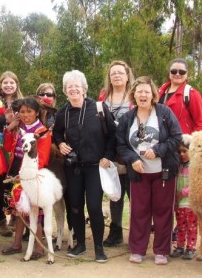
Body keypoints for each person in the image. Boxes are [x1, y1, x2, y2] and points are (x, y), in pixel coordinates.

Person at [116, 76, 182, 265]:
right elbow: (121, 145)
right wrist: (133, 159)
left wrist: (158, 150)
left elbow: (176, 137)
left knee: (163, 212)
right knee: (139, 211)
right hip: (139, 173)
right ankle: (137, 249)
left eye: (146, 91)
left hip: (164, 172)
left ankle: (161, 251)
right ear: (133, 95)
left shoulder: (164, 113)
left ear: (153, 94)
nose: (143, 95)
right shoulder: (128, 118)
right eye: (139, 92)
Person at [53, 70, 117, 263]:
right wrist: (61, 144)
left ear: (84, 88)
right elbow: (56, 134)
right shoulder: (63, 113)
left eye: (76, 86)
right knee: (75, 207)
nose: (73, 89)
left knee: (95, 207)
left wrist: (107, 156)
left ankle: (98, 247)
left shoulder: (98, 108)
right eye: (69, 87)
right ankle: (80, 244)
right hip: (73, 167)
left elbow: (113, 135)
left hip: (95, 166)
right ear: (65, 91)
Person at [1, 97, 52, 260]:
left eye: (29, 111)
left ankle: (39, 247)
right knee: (19, 210)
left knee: (33, 210)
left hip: (32, 173)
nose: (25, 115)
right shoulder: (18, 129)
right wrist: (10, 128)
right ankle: (16, 244)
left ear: (37, 113)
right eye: (22, 112)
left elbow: (42, 157)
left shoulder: (42, 132)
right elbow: (8, 147)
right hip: (16, 170)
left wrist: (26, 174)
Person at [98, 61, 134, 247]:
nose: (117, 76)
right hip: (111, 153)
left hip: (132, 151)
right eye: (113, 73)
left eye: (120, 72)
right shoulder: (104, 96)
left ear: (127, 75)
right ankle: (116, 231)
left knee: (134, 195)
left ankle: (136, 233)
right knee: (115, 193)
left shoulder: (135, 95)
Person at [0, 71, 23, 234]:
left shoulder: (22, 103)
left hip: (17, 149)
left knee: (15, 182)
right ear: (0, 85)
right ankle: (1, 220)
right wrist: (8, 127)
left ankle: (14, 217)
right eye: (5, 82)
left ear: (16, 84)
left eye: (11, 82)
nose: (8, 85)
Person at [158, 58, 202, 134]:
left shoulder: (192, 94)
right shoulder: (159, 91)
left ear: (186, 74)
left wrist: (192, 142)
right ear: (169, 73)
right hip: (160, 141)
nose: (177, 74)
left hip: (181, 142)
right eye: (174, 71)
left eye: (182, 72)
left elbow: (200, 124)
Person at [170, 136, 197, 260]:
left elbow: (196, 184)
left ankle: (191, 248)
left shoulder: (194, 167)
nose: (182, 154)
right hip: (179, 203)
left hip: (190, 203)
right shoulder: (178, 166)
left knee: (191, 227)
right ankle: (180, 246)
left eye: (185, 151)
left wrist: (183, 193)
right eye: (179, 152)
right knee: (180, 226)